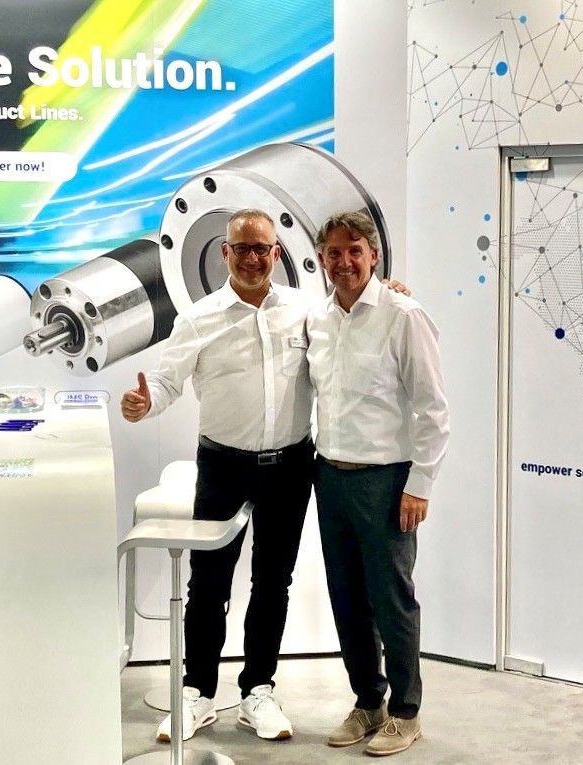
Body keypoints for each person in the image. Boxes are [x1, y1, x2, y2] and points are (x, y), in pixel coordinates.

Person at [121, 208, 409, 744]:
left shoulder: (306, 310)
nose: (253, 258)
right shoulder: (199, 318)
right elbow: (165, 381)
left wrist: (389, 290)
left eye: (262, 248)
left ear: (277, 253)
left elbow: (355, 308)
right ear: (225, 253)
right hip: (223, 466)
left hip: (290, 467)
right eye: (242, 248)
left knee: (273, 583)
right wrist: (146, 401)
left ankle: (258, 690)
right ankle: (197, 693)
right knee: (208, 584)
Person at [306, 211, 450, 757]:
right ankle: (369, 702)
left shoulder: (403, 315)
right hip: (329, 476)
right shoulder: (318, 318)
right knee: (347, 598)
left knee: (392, 600)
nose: (344, 262)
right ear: (321, 258)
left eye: (355, 250)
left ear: (374, 255)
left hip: (386, 482)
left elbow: (433, 410)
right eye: (334, 252)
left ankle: (406, 713)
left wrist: (420, 484)